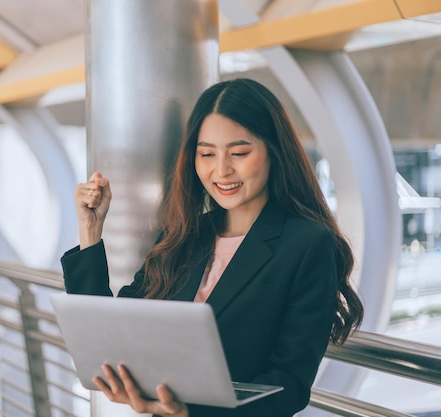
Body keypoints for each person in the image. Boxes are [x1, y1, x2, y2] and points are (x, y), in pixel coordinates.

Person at [61, 78, 364, 417]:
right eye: (206, 154)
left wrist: (190, 413)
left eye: (239, 153)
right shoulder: (185, 235)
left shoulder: (308, 244)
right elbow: (111, 335)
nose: (221, 170)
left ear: (274, 152)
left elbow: (289, 387)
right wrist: (90, 231)